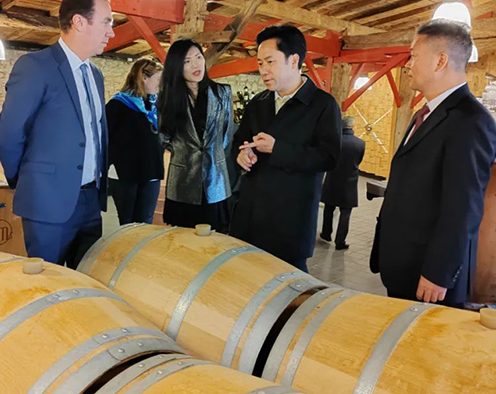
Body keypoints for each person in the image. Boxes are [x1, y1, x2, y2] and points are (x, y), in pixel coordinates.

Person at [370, 20, 496, 308]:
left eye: (414, 56)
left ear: (440, 61)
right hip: (404, 260)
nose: (408, 65)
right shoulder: (427, 112)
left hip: (428, 276)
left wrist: (438, 272)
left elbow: (463, 207)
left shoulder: (470, 121)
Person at [0, 0, 113, 268]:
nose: (111, 32)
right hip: (46, 201)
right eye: (106, 22)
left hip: (91, 201)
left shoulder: (95, 74)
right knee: (47, 284)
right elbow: (9, 135)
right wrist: (28, 181)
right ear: (79, 22)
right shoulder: (35, 66)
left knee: (86, 280)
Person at [229, 25, 341, 272]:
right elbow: (240, 140)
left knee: (287, 287)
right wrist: (242, 153)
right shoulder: (259, 102)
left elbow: (328, 158)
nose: (263, 70)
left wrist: (277, 149)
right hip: (250, 215)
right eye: (260, 63)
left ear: (294, 60)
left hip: (289, 221)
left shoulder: (322, 105)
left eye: (270, 62)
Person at [157, 39, 233, 232]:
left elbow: (226, 134)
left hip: (215, 179)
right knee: (183, 239)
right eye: (187, 61)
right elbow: (164, 137)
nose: (196, 65)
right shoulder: (168, 98)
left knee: (216, 238)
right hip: (183, 180)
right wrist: (186, 152)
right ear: (176, 66)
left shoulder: (222, 92)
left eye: (198, 57)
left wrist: (211, 154)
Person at [106, 58, 164, 224]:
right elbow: (105, 139)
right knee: (128, 222)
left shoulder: (156, 105)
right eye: (158, 79)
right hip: (125, 174)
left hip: (151, 172)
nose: (161, 84)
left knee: (145, 221)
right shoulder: (117, 105)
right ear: (144, 78)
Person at [320, 116, 365, 250]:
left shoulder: (334, 142)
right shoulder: (360, 143)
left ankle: (326, 234)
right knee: (345, 213)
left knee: (329, 208)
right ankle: (340, 241)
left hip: (332, 178)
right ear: (352, 127)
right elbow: (359, 160)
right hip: (349, 181)